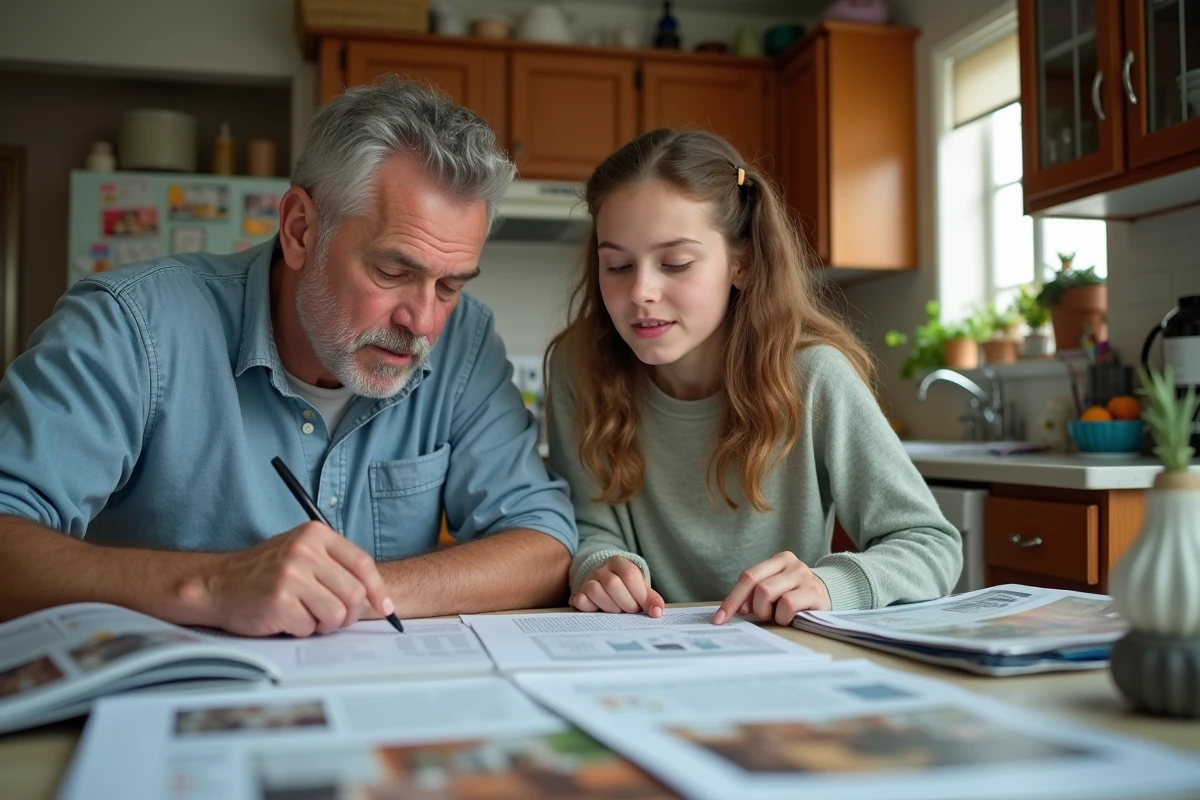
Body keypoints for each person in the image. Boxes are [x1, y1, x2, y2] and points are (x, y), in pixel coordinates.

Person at [0, 78, 577, 636]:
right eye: (393, 271)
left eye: (450, 286)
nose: (423, 323)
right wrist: (215, 584)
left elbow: (544, 545)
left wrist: (358, 592)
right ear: (300, 229)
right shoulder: (130, 327)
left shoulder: (465, 342)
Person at [547, 129, 961, 626]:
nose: (641, 291)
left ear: (740, 264)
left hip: (784, 652)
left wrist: (831, 583)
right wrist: (599, 566)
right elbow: (591, 524)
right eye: (617, 265)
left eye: (675, 263)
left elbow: (931, 545)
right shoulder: (578, 366)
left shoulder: (814, 376)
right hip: (643, 651)